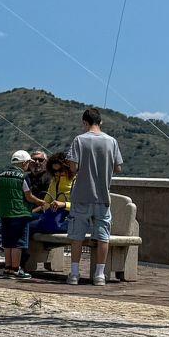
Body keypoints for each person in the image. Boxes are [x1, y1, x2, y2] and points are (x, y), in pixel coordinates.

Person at [66, 107, 125, 286]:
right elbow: (118, 168)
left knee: (77, 236)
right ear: (101, 122)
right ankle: (99, 275)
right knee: (103, 236)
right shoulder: (112, 141)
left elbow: (73, 167)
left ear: (85, 122)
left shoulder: (79, 140)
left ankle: (74, 274)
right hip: (103, 197)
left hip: (81, 196)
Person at [0, 149, 36, 280]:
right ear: (24, 163)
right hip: (20, 214)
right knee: (18, 243)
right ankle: (15, 269)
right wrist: (41, 202)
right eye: (28, 163)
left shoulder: (1, 176)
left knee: (7, 242)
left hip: (4, 213)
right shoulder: (23, 177)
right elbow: (29, 197)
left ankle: (8, 268)